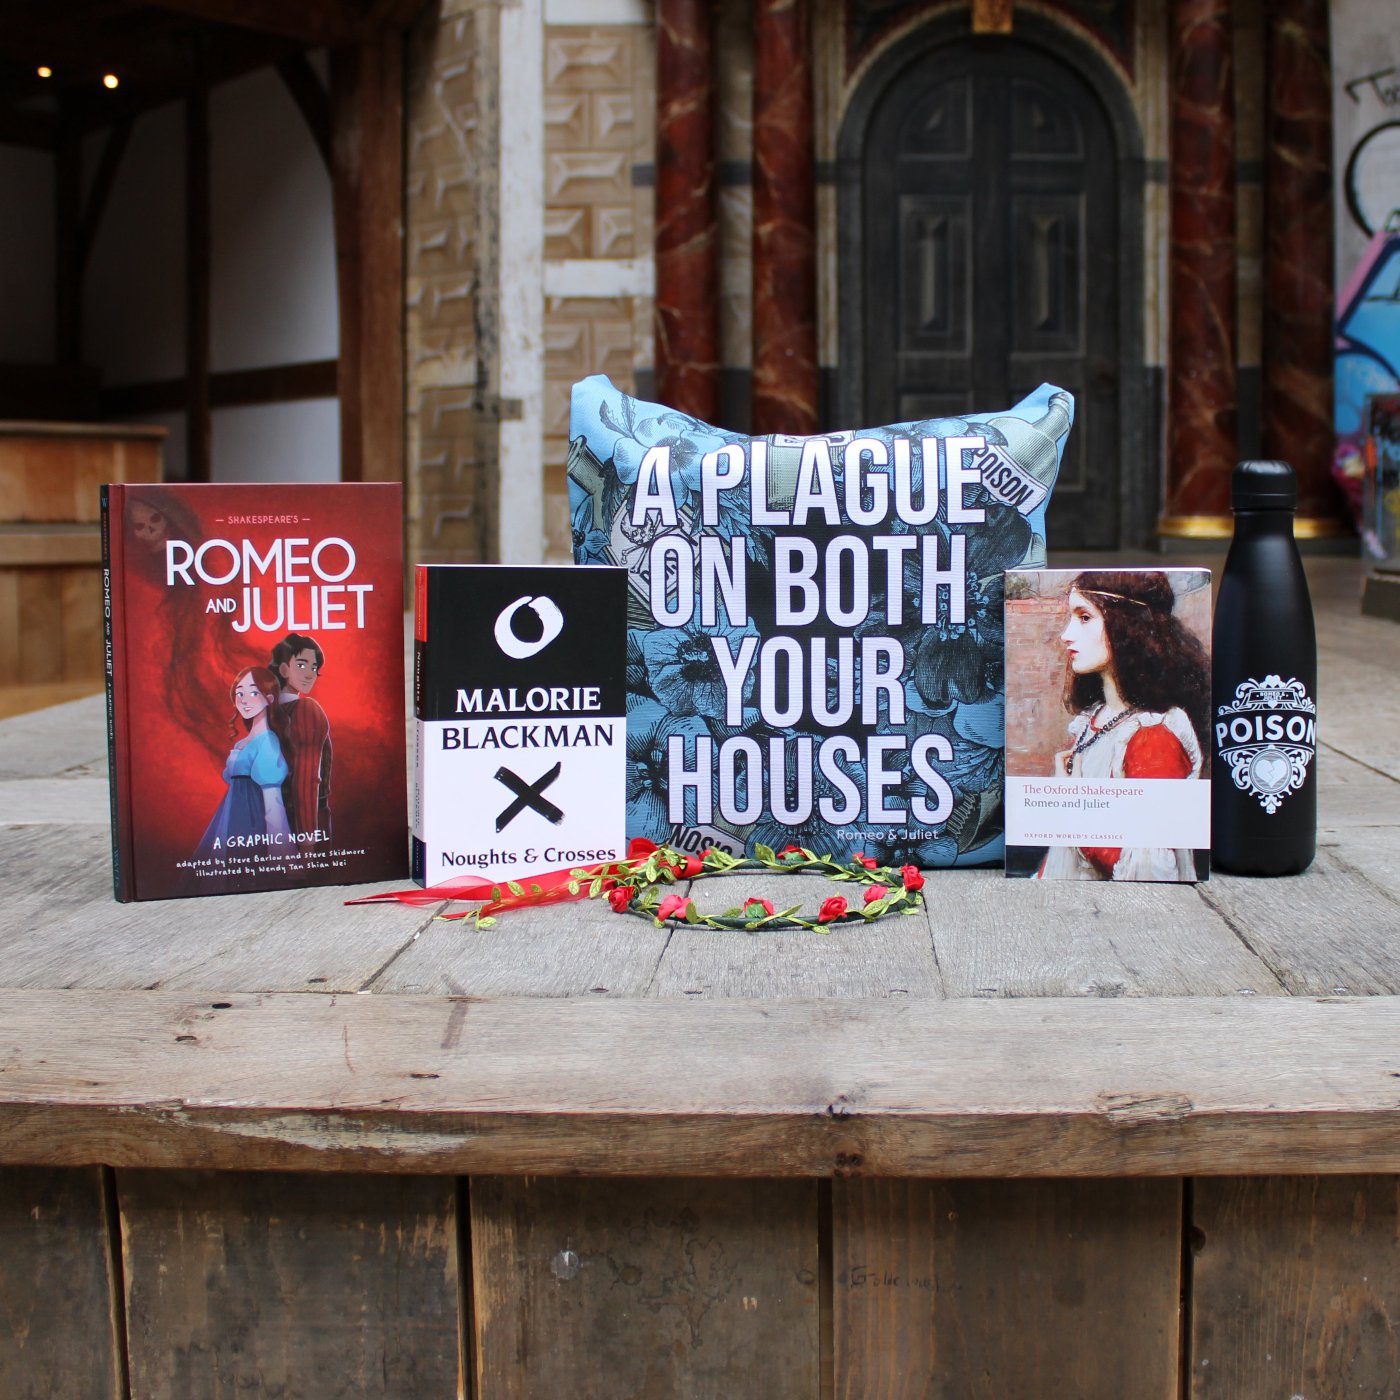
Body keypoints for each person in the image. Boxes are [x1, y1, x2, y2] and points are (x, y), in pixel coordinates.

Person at [1037, 571, 1208, 882]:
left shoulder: (1153, 734)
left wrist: (1070, 800)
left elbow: (1147, 871)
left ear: (1126, 626)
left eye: (1084, 617)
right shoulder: (1096, 719)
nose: (1066, 634)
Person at [194, 667, 292, 858]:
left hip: (252, 820)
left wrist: (280, 854)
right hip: (229, 816)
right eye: (240, 693)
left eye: (254, 692)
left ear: (269, 698)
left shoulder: (268, 741)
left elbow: (273, 804)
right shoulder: (241, 743)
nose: (245, 699)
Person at [270, 633, 332, 839]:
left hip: (271, 822)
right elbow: (306, 779)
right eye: (302, 665)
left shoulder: (268, 713)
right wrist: (308, 838)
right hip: (303, 821)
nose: (310, 674)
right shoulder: (306, 709)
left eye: (314, 668)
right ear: (284, 669)